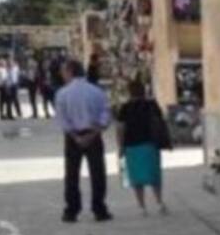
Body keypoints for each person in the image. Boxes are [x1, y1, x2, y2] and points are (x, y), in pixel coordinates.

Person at [55, 58, 112, 223]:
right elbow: (105, 115)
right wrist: (93, 133)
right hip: (93, 135)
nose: (62, 75)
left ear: (70, 72)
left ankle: (71, 210)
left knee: (72, 174)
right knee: (97, 173)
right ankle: (99, 208)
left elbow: (62, 119)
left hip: (73, 137)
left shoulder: (63, 93)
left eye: (64, 71)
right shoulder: (96, 91)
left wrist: (75, 136)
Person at [116, 77, 171, 215]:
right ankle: (159, 202)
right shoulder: (152, 105)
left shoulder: (125, 108)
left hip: (132, 146)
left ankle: (142, 206)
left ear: (130, 92)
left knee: (136, 177)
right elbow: (161, 122)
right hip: (150, 144)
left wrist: (121, 147)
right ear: (144, 91)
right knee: (154, 175)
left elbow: (121, 128)